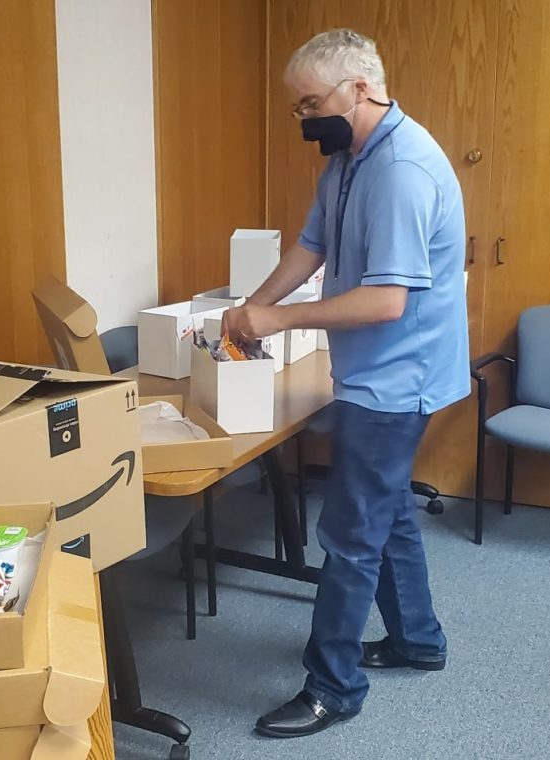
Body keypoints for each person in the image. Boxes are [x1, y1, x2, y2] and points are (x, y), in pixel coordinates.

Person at [221, 28, 470, 739]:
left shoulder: (402, 170)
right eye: (296, 108)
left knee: (351, 532)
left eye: (309, 105)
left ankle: (333, 686)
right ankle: (417, 641)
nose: (303, 120)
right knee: (385, 511)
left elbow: (386, 300)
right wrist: (251, 310)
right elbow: (313, 246)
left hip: (398, 377)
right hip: (370, 369)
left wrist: (276, 319)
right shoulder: (349, 159)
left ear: (360, 88)